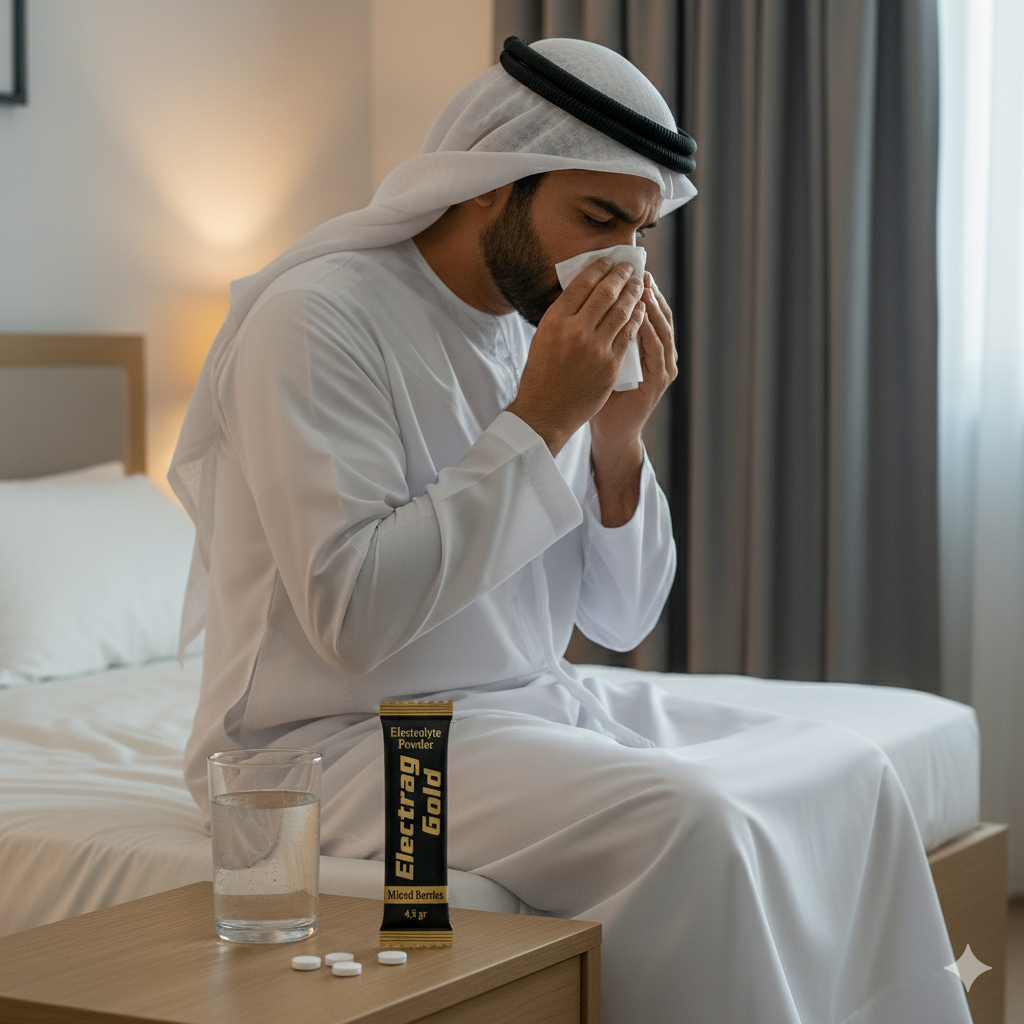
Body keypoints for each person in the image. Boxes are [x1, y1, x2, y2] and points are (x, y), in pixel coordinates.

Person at [170, 37, 971, 1024]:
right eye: (595, 219)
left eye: (636, 232)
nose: (618, 262)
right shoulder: (320, 318)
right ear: (485, 182)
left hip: (529, 708)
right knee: (695, 821)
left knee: (854, 769)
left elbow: (622, 610)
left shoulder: (530, 322)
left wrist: (616, 439)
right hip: (342, 749)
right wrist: (544, 417)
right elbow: (352, 616)